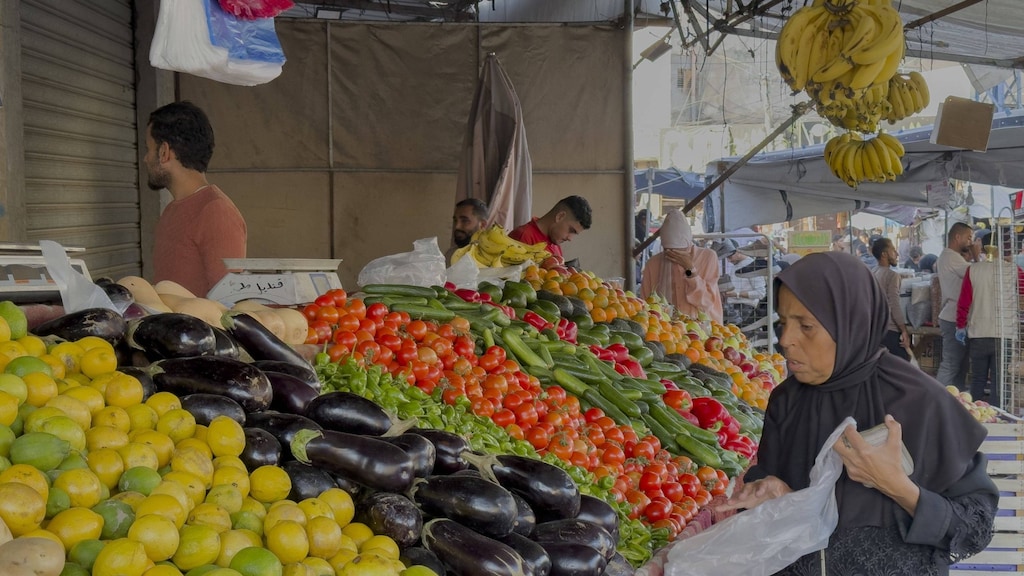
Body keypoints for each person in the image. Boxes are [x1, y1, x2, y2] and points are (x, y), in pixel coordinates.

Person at [718, 251, 998, 575]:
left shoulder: (921, 401)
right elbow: (775, 509)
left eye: (806, 326)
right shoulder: (786, 401)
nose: (785, 340)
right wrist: (779, 498)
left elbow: (974, 530)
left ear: (851, 321)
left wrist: (898, 486)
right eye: (783, 323)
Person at [147, 101, 246, 297]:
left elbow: (229, 303)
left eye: (148, 149)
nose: (145, 159)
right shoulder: (171, 209)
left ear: (164, 152)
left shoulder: (216, 212)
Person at [956, 245, 1018, 408]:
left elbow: (964, 302)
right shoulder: (1013, 270)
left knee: (977, 379)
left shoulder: (973, 270)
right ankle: (998, 417)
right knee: (1000, 382)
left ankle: (973, 415)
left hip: (978, 333)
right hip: (1005, 334)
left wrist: (960, 325)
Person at [639, 210, 722, 323]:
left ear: (688, 244)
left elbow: (706, 302)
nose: (674, 255)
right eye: (669, 251)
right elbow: (647, 304)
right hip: (668, 330)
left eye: (679, 250)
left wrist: (689, 269)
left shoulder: (707, 257)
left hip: (704, 328)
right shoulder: (654, 263)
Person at [936, 222, 976, 389]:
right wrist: (976, 256)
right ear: (957, 237)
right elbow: (976, 273)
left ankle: (957, 401)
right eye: (968, 238)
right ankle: (936, 399)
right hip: (953, 319)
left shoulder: (952, 257)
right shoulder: (950, 256)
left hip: (956, 317)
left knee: (961, 366)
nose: (970, 242)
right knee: (951, 364)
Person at [509, 195, 591, 260]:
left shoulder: (555, 240)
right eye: (571, 230)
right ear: (560, 216)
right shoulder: (523, 237)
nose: (570, 238)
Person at [871, 237, 910, 360]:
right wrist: (903, 330)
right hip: (890, 330)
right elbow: (894, 304)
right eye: (893, 250)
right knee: (904, 364)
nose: (896, 254)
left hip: (876, 329)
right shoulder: (892, 275)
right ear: (884, 254)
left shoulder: (873, 272)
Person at [447, 198, 488, 263]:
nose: (457, 226)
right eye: (455, 220)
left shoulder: (494, 258)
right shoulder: (450, 254)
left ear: (482, 225)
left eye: (464, 221)